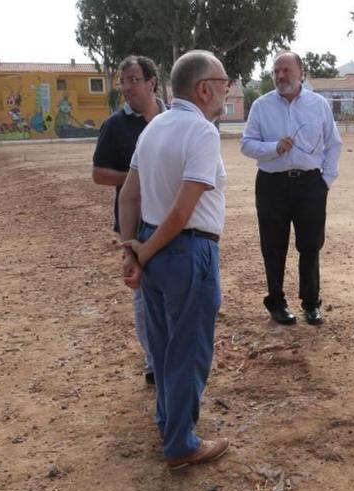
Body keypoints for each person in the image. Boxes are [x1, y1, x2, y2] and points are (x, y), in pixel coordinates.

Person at [118, 50, 231, 469]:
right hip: (187, 250)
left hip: (153, 245)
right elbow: (183, 212)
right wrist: (141, 252)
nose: (226, 91)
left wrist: (133, 246)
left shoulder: (153, 128)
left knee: (165, 347)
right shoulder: (201, 132)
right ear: (204, 89)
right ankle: (181, 444)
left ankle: (169, 421)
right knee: (189, 351)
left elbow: (130, 194)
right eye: (223, 83)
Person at [241, 52, 342, 326]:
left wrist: (325, 181)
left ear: (301, 73)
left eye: (286, 70)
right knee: (273, 246)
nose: (280, 76)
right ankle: (276, 302)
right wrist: (274, 147)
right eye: (276, 71)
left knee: (311, 245)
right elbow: (247, 143)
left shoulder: (318, 104)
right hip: (271, 185)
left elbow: (333, 144)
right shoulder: (261, 106)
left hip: (310, 184)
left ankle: (311, 303)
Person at [92, 55, 165, 385]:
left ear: (151, 83)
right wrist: (136, 176)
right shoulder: (115, 125)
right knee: (141, 292)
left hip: (174, 219)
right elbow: (98, 174)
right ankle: (153, 360)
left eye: (133, 79)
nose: (127, 87)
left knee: (172, 291)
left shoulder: (172, 118)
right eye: (124, 81)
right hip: (135, 221)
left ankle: (172, 354)